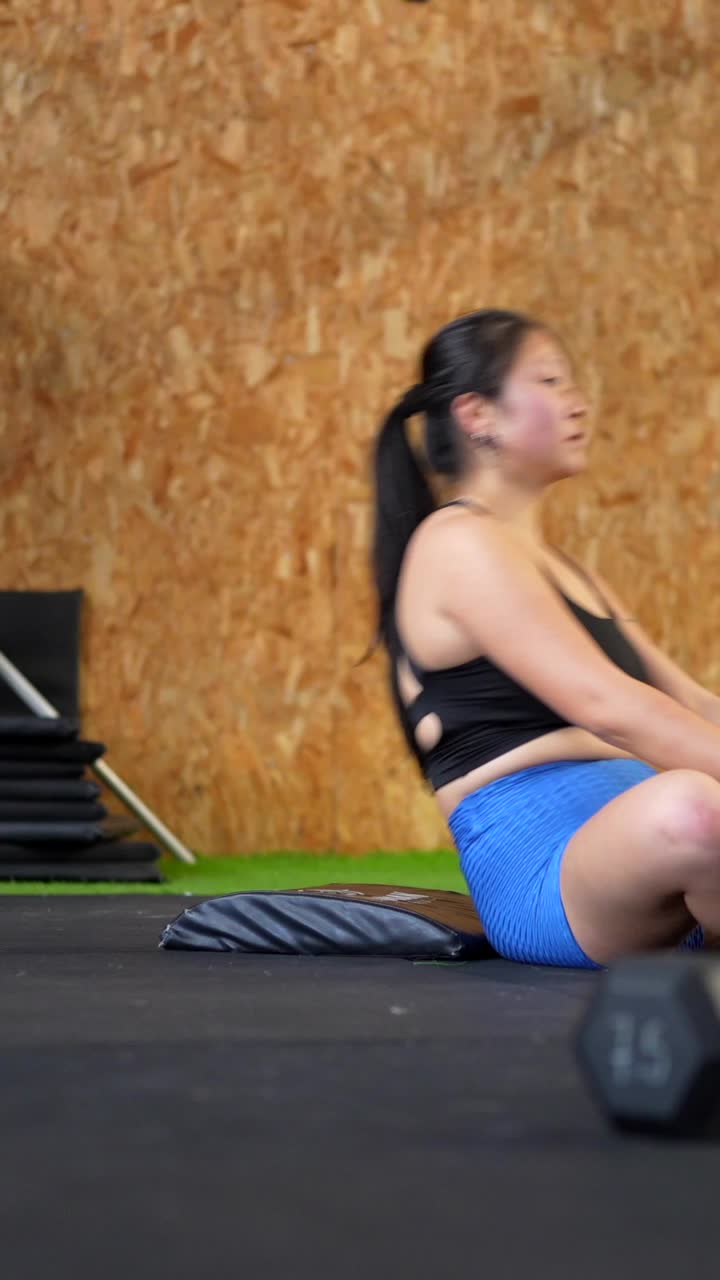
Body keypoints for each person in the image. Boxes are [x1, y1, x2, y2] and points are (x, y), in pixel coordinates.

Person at [369, 308, 720, 968]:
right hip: (545, 872)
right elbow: (610, 707)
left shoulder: (568, 571)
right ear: (478, 414)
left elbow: (694, 703)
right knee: (695, 807)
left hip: (650, 853)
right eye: (551, 381)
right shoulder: (456, 544)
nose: (579, 402)